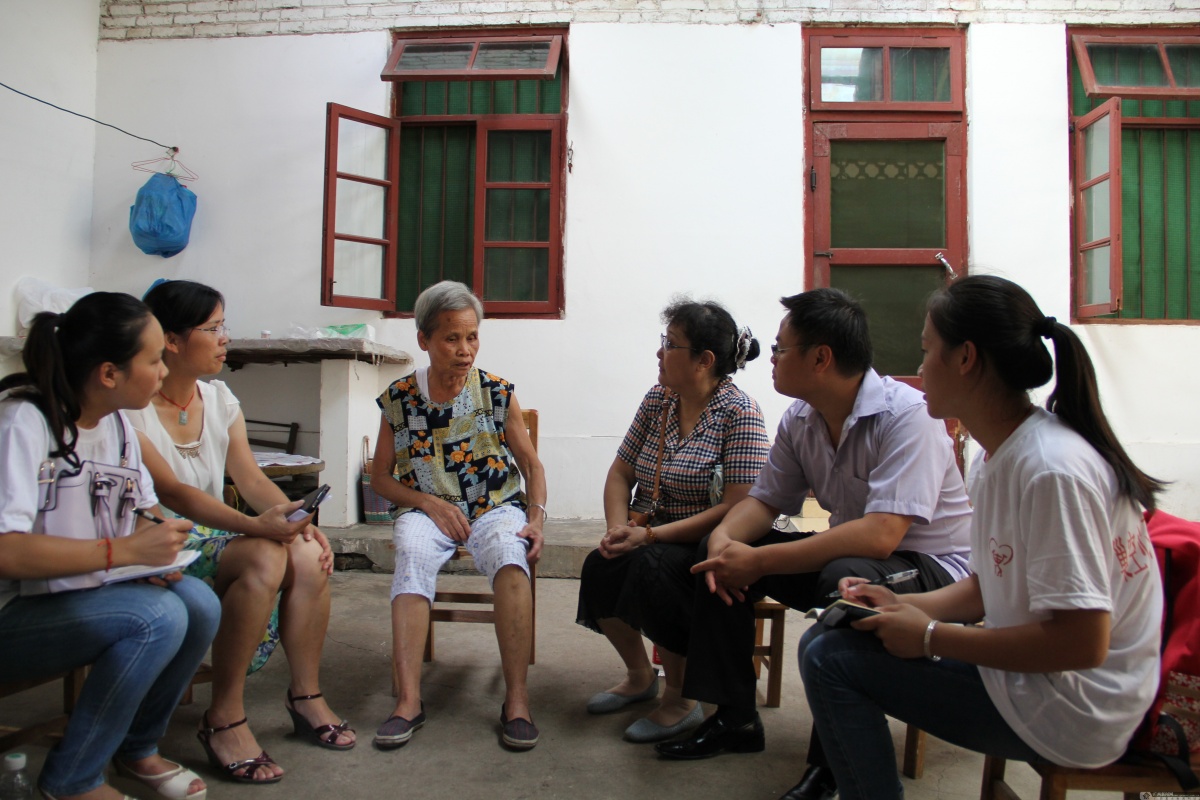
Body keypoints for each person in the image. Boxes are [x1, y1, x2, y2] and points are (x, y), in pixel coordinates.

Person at [798, 275, 1164, 800]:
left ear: (966, 358)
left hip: (1077, 707)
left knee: (829, 660)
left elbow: (1082, 642)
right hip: (1043, 680)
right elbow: (989, 584)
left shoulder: (1051, 471)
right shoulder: (999, 457)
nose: (921, 368)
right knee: (827, 638)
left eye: (927, 350)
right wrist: (905, 606)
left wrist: (930, 636)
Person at [653, 288, 973, 800]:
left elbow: (881, 534)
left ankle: (830, 767)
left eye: (780, 349)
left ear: (820, 358)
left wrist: (759, 560)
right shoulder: (801, 418)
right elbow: (765, 501)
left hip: (933, 567)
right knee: (716, 556)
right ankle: (734, 718)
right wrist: (725, 540)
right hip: (855, 556)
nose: (770, 360)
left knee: (844, 579)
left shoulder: (907, 416)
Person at [128, 280, 353, 786]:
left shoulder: (219, 399)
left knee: (304, 554)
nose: (225, 338)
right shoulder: (132, 407)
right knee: (263, 555)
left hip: (219, 535)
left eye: (223, 326)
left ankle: (305, 695)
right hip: (160, 540)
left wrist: (296, 521)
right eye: (213, 328)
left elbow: (250, 479)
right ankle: (224, 716)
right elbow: (176, 496)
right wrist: (256, 527)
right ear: (171, 340)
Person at [0, 292, 220, 800]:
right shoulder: (24, 423)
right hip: (12, 610)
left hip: (74, 590)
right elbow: (7, 551)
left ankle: (135, 746)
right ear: (108, 373)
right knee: (156, 618)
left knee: (199, 603)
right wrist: (124, 554)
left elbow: (145, 510)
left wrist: (160, 548)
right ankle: (72, 780)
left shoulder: (117, 424)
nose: (163, 370)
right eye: (153, 360)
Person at [575, 300, 770, 743]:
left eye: (671, 344)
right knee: (601, 565)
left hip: (706, 542)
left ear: (704, 361)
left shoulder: (740, 413)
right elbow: (620, 473)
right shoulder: (658, 400)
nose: (660, 353)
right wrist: (617, 529)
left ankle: (681, 697)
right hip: (648, 530)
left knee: (654, 570)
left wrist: (649, 536)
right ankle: (640, 676)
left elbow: (738, 506)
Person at [369, 280, 547, 751]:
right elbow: (380, 477)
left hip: (494, 506)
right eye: (451, 338)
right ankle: (408, 701)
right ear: (424, 339)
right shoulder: (399, 399)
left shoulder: (495, 393)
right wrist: (428, 503)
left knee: (511, 556)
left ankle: (517, 701)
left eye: (472, 337)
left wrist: (536, 518)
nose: (465, 349)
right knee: (410, 552)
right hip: (427, 508)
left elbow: (531, 466)